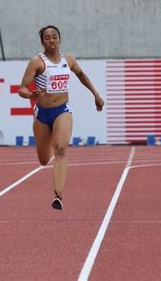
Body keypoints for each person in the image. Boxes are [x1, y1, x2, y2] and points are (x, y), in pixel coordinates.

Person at [19, 25, 104, 210]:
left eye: (54, 37)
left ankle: (58, 195)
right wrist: (31, 95)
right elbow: (22, 88)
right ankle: (49, 142)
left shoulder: (69, 60)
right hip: (42, 115)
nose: (51, 40)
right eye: (47, 38)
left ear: (60, 39)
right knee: (43, 160)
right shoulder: (37, 62)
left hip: (62, 111)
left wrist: (96, 95)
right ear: (42, 42)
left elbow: (81, 75)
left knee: (61, 148)